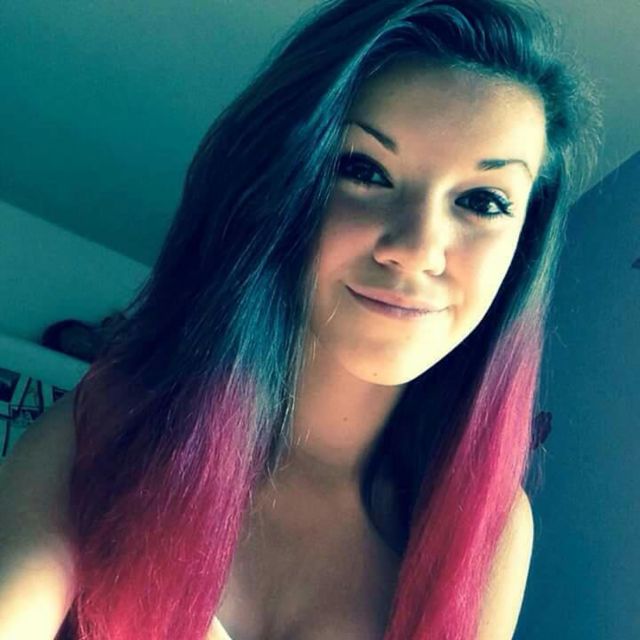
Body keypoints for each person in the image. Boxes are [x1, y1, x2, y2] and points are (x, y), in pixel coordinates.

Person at [1, 1, 602, 639]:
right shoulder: (111, 425)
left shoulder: (489, 524)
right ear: (284, 185)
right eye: (363, 170)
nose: (417, 248)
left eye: (484, 201)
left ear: (523, 244)